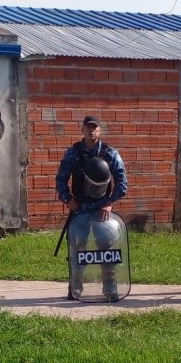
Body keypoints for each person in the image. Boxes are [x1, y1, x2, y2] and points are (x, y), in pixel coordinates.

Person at [55, 115, 128, 300]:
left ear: (99, 130)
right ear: (82, 129)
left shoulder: (110, 153)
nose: (91, 130)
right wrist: (68, 200)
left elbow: (122, 183)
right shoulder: (74, 153)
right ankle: (76, 288)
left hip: (102, 210)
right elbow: (61, 179)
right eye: (88, 127)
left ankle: (110, 289)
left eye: (94, 127)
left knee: (107, 249)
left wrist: (109, 203)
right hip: (79, 208)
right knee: (78, 248)